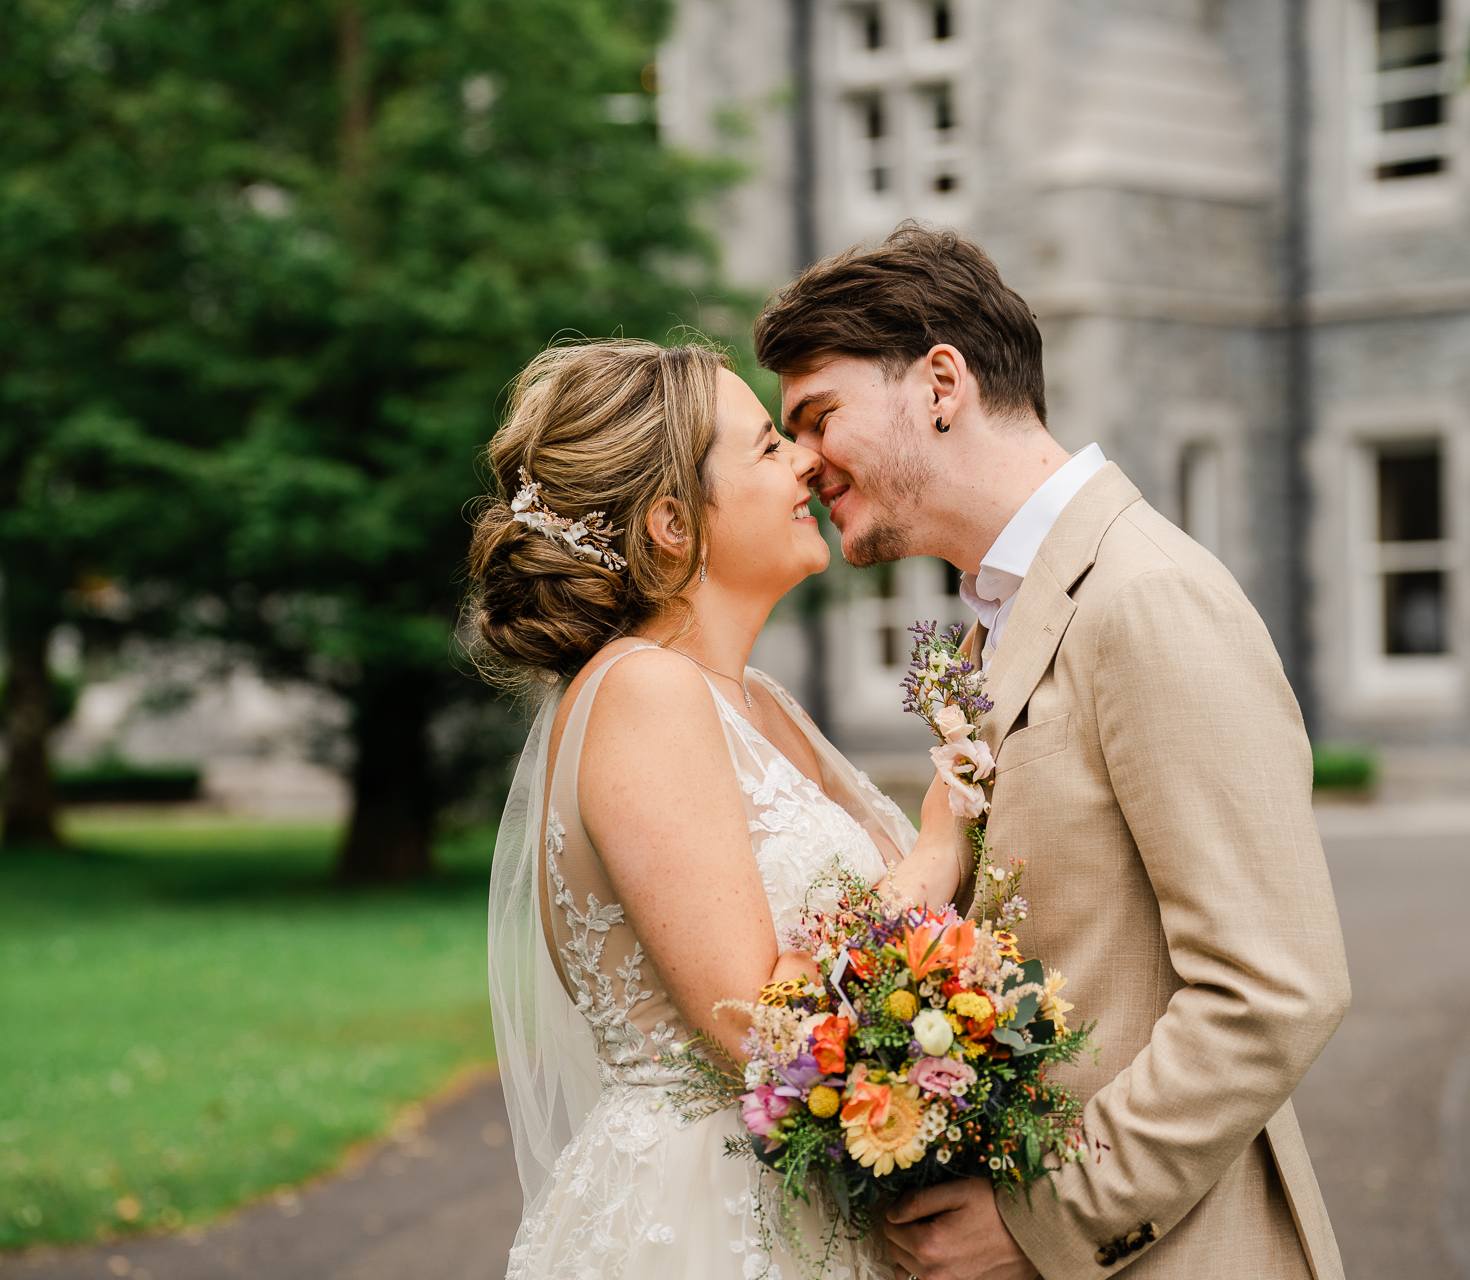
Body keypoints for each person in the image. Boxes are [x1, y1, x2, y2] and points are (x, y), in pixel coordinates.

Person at [754, 223, 1352, 1280]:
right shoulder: (999, 623)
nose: (800, 461)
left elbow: (1275, 986)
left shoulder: (1146, 596)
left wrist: (1046, 1217)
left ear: (943, 383)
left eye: (818, 415)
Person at [469, 339, 967, 1279]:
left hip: (823, 1193)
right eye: (769, 447)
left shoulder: (762, 702)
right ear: (670, 519)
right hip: (711, 1216)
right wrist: (935, 850)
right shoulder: (644, 695)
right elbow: (758, 1026)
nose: (808, 462)